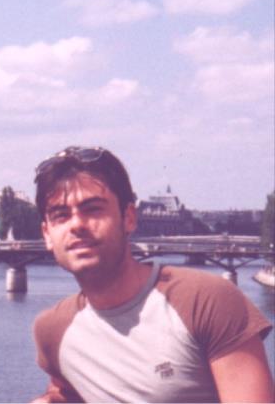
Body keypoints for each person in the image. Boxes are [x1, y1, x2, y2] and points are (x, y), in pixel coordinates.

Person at [31, 146, 274, 403]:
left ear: (129, 218)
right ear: (47, 234)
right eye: (61, 215)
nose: (77, 224)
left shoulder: (208, 301)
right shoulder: (53, 329)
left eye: (93, 209)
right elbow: (64, 390)